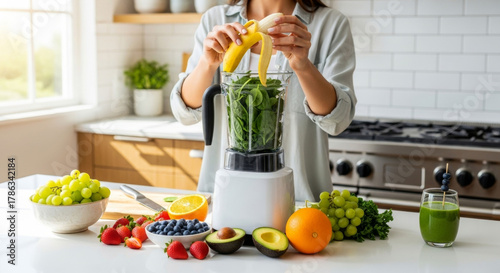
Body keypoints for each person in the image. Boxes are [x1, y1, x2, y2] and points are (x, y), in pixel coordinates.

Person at [170, 0, 356, 201]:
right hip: (226, 197)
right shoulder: (215, 19)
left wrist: (303, 66)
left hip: (300, 202)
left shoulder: (331, 24)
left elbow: (338, 120)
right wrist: (207, 63)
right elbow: (184, 112)